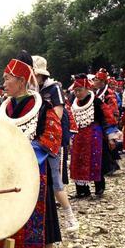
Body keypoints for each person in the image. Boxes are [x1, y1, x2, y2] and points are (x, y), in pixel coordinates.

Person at [0, 51, 62, 248]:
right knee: (13, 217)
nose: (4, 83)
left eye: (8, 79)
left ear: (22, 82)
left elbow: (52, 139)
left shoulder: (42, 108)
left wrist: (22, 152)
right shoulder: (5, 109)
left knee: (43, 221)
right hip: (11, 173)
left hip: (36, 174)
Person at [33, 55, 78, 233]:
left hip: (50, 141)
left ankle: (70, 217)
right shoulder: (32, 90)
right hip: (35, 140)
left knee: (55, 180)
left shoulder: (53, 89)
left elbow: (57, 115)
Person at [70, 74, 119, 198]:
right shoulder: (73, 102)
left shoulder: (96, 101)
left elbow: (106, 118)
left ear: (87, 88)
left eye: (79, 90)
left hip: (94, 136)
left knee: (96, 161)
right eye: (75, 91)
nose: (77, 93)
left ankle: (99, 187)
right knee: (78, 162)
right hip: (78, 137)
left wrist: (110, 136)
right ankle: (82, 190)